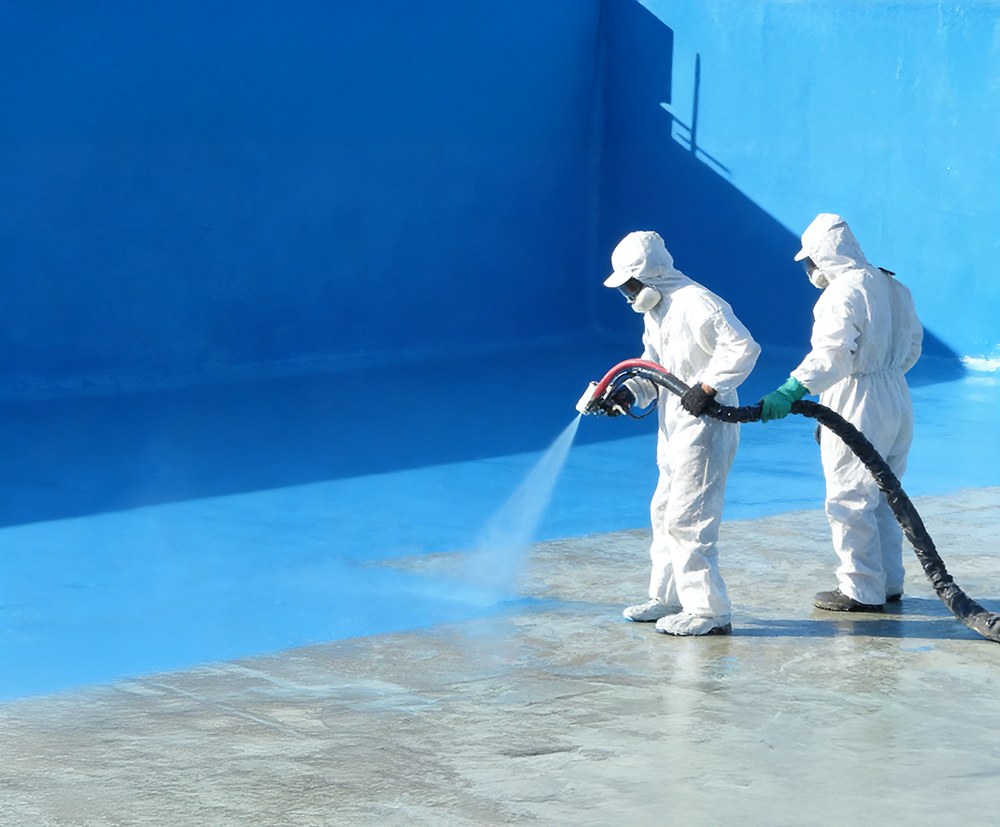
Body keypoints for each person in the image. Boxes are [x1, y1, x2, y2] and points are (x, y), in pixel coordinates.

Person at [759, 213, 923, 612]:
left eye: (810, 261)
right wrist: (885, 378)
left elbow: (833, 356)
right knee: (887, 494)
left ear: (822, 256)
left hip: (857, 397)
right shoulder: (893, 285)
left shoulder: (841, 293)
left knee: (849, 498)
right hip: (897, 398)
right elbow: (913, 347)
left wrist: (794, 388)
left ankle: (860, 589)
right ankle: (887, 582)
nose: (810, 270)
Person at [604, 230, 760, 636]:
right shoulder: (655, 311)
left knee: (689, 519)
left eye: (631, 285)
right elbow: (654, 366)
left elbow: (743, 347)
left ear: (650, 276)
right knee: (664, 511)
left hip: (707, 424)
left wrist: (707, 387)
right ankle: (668, 597)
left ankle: (709, 610)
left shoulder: (699, 303)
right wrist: (629, 391)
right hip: (674, 422)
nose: (628, 294)